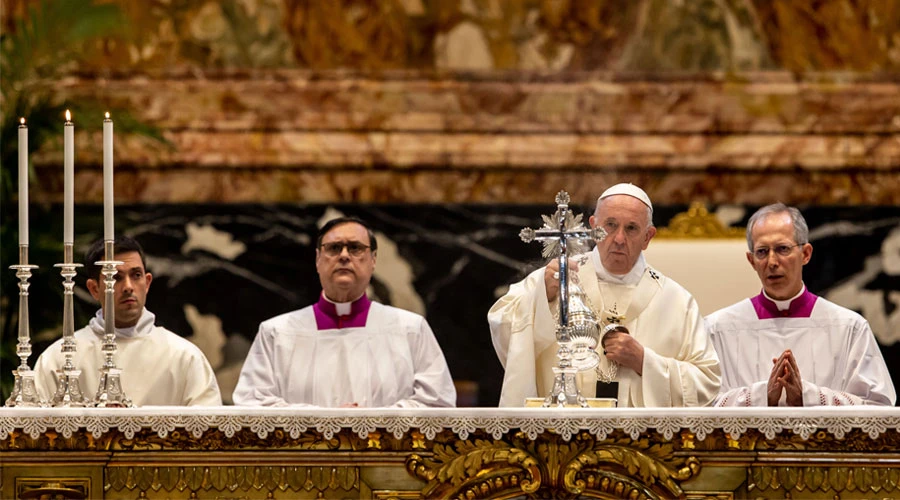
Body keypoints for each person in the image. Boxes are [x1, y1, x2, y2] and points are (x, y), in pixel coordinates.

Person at [488, 183, 721, 407]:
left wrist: (644, 361)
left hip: (643, 442)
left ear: (648, 237)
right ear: (593, 227)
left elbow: (707, 384)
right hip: (562, 436)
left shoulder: (676, 301)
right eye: (610, 225)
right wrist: (543, 297)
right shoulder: (557, 279)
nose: (619, 238)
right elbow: (503, 325)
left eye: (631, 228)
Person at [233, 216, 456, 408]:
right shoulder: (276, 333)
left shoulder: (411, 329)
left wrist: (369, 422)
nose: (344, 256)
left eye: (356, 248)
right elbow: (252, 405)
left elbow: (437, 403)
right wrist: (325, 421)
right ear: (318, 260)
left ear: (373, 260)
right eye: (333, 248)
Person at [706, 204, 896, 406]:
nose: (772, 261)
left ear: (805, 254)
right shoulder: (718, 329)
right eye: (762, 251)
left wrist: (809, 397)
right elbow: (700, 407)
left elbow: (879, 407)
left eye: (782, 249)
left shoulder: (850, 328)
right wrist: (762, 395)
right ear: (751, 260)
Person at [34, 236, 222, 406]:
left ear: (147, 283)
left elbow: (209, 432)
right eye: (114, 277)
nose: (128, 287)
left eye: (136, 275)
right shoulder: (60, 358)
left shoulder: (184, 357)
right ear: (94, 289)